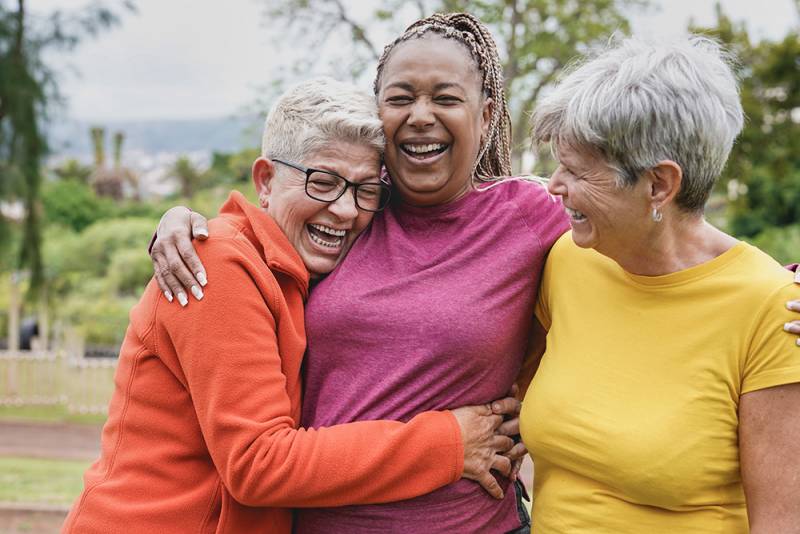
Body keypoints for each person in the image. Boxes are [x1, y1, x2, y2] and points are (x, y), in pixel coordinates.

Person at [149, 14, 800, 533]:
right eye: (399, 97)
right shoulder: (348, 210)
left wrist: (783, 283)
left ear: (486, 116)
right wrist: (184, 222)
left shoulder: (537, 221)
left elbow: (662, 234)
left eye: (446, 98)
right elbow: (265, 222)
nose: (421, 114)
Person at [63, 77, 523, 534]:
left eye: (365, 190)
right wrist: (447, 444)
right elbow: (258, 463)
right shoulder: (218, 264)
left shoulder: (304, 271)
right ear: (265, 180)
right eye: (323, 182)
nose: (345, 209)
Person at [521, 36, 800, 532]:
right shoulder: (568, 259)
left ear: (658, 185)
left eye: (577, 170)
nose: (554, 185)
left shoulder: (773, 311)